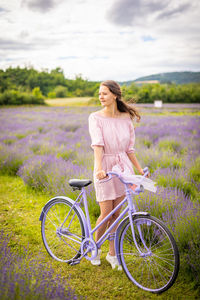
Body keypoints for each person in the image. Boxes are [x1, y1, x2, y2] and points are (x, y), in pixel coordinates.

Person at [88, 80, 145, 270]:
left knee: (118, 213)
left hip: (123, 167)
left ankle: (112, 254)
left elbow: (129, 149)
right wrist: (98, 168)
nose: (101, 97)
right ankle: (94, 248)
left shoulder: (125, 117)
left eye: (104, 93)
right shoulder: (95, 117)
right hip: (105, 166)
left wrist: (139, 170)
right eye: (99, 94)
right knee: (106, 213)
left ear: (114, 95)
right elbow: (98, 145)